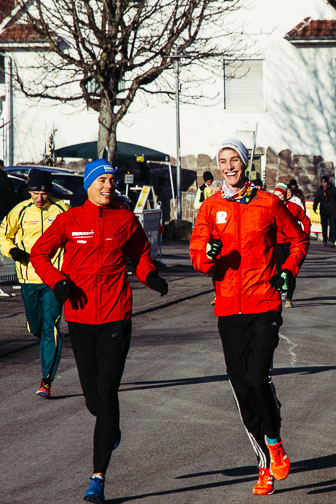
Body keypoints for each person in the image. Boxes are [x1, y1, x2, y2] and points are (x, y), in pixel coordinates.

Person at [30, 158, 168, 504]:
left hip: (116, 317)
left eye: (112, 180)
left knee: (106, 392)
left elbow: (142, 254)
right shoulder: (69, 220)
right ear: (89, 184)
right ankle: (111, 427)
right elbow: (39, 254)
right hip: (80, 319)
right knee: (93, 398)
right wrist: (58, 281)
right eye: (102, 180)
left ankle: (97, 478)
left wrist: (149, 275)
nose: (109, 186)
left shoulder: (125, 219)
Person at [189, 138, 309, 496]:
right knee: (243, 391)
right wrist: (208, 256)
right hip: (228, 309)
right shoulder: (210, 208)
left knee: (257, 379)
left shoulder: (268, 203)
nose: (228, 167)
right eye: (223, 161)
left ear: (245, 163)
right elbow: (198, 255)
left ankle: (273, 441)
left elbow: (299, 240)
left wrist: (288, 270)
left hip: (264, 303)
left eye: (234, 160)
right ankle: (263, 464)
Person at [0, 168, 70, 397]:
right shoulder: (19, 211)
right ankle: (37, 329)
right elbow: (3, 234)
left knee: (52, 327)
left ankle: (46, 380)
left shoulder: (62, 209)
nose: (40, 198)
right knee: (38, 327)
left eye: (44, 193)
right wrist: (12, 250)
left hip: (54, 279)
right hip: (28, 278)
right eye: (35, 193)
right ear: (29, 191)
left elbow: (75, 236)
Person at [274, 182, 311, 308]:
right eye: (275, 195)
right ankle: (280, 292)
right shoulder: (271, 208)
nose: (277, 197)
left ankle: (289, 297)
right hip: (277, 243)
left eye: (280, 195)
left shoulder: (294, 207)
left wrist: (305, 235)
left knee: (290, 271)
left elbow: (306, 221)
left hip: (292, 243)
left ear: (285, 195)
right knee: (279, 270)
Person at [313, 175, 336, 247]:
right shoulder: (319, 191)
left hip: (332, 211)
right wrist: (315, 207)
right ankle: (324, 240)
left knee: (333, 225)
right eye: (323, 183)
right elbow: (316, 200)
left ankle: (332, 240)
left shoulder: (333, 190)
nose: (324, 184)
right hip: (323, 211)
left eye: (325, 182)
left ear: (328, 183)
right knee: (324, 226)